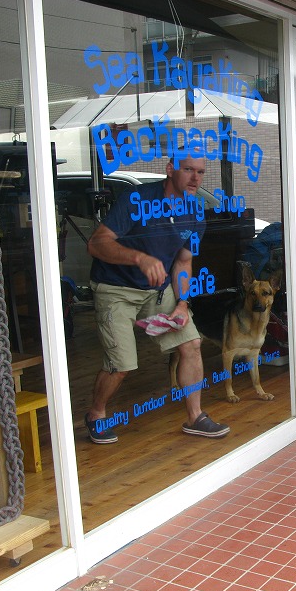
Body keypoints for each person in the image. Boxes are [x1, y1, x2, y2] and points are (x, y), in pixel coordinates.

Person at [84, 156, 229, 444]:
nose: (195, 178)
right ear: (170, 169)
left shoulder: (195, 213)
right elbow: (96, 244)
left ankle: (195, 417)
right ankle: (96, 414)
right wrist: (139, 258)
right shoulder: (137, 199)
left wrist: (183, 303)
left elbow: (183, 262)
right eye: (188, 170)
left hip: (158, 290)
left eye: (200, 172)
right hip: (116, 289)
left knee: (191, 344)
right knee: (122, 364)